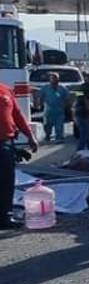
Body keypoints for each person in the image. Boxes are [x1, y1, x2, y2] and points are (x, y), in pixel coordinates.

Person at [1, 80, 38, 229]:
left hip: (5, 142)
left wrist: (30, 135)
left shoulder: (5, 90)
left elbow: (17, 115)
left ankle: (4, 216)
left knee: (5, 181)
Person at [40, 73, 70, 143]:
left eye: (56, 78)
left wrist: (67, 107)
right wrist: (40, 105)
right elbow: (41, 97)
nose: (54, 79)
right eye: (52, 78)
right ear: (49, 79)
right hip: (48, 109)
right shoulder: (45, 88)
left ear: (58, 79)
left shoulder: (62, 88)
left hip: (59, 110)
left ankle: (59, 137)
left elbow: (67, 99)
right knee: (47, 125)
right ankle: (48, 136)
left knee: (59, 125)